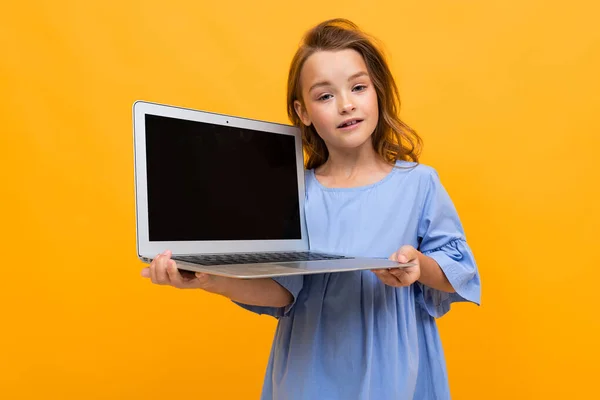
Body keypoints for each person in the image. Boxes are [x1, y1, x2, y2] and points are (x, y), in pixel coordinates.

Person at [142, 18, 481, 400]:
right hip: (310, 374)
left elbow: (459, 273)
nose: (346, 104)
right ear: (302, 113)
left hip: (395, 373)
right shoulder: (293, 194)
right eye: (325, 96)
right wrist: (208, 279)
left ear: (378, 92)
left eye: (358, 87)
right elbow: (284, 292)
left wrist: (419, 264)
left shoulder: (419, 183)